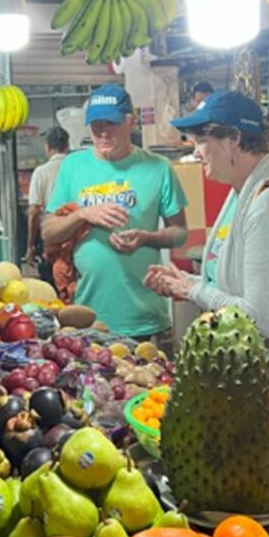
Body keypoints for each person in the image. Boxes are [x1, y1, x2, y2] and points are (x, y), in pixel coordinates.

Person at [144, 91, 269, 412]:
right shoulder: (241, 194)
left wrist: (193, 290)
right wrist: (185, 279)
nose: (195, 152)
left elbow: (263, 319)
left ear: (233, 139)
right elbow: (237, 284)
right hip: (252, 387)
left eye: (201, 141)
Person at [41, 84, 188, 345]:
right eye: (95, 124)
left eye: (111, 123)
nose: (102, 131)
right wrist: (83, 214)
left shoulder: (158, 168)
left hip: (144, 317)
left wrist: (146, 237)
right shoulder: (73, 166)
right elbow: (48, 232)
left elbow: (179, 233)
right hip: (88, 317)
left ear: (130, 121)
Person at [25, 127, 70, 276]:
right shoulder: (77, 168)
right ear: (68, 146)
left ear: (47, 147)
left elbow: (34, 211)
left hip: (51, 239)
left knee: (52, 288)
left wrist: (30, 245)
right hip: (76, 237)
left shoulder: (41, 172)